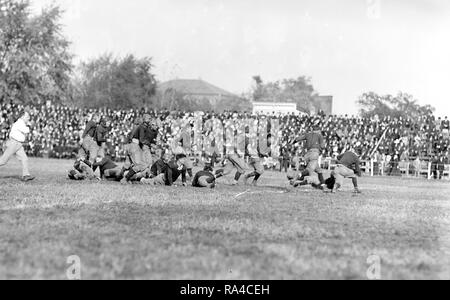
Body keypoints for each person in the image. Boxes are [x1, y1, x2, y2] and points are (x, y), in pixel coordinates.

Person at [0, 111, 35, 182]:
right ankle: (26, 175)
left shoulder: (22, 123)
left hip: (18, 144)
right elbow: (26, 131)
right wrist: (31, 125)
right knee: (3, 161)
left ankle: (26, 175)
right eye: (27, 116)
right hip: (14, 143)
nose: (28, 118)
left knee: (24, 159)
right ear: (22, 116)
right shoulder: (19, 123)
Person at [294, 120, 326, 186]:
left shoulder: (307, 134)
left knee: (319, 170)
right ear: (318, 130)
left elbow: (297, 139)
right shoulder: (319, 136)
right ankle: (298, 176)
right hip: (314, 154)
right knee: (309, 170)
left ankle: (322, 184)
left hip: (307, 154)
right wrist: (320, 149)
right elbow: (323, 146)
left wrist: (293, 142)